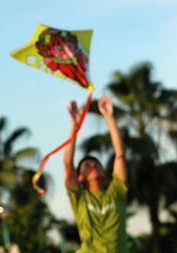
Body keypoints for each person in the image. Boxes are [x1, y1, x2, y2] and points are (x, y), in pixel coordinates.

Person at [65, 96, 129, 253]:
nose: (93, 165)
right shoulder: (79, 198)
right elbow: (68, 164)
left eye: (96, 164)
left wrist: (109, 117)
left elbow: (119, 155)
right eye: (86, 165)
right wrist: (74, 126)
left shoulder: (116, 192)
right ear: (79, 178)